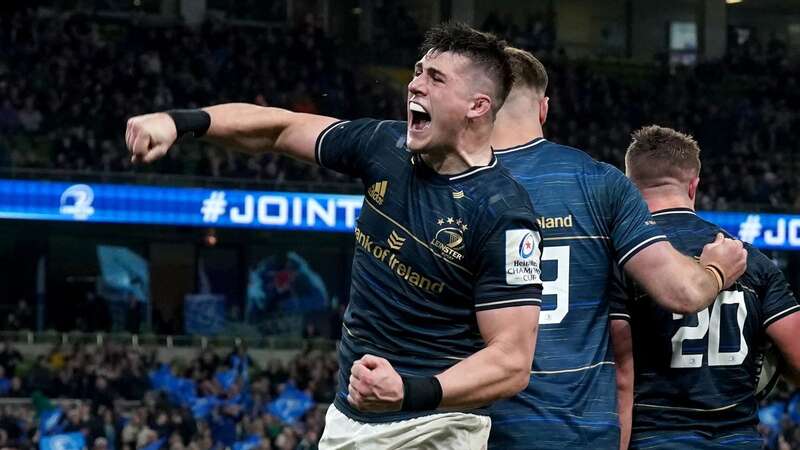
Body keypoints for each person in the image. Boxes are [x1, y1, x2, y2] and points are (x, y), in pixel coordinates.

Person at [125, 23, 543, 449]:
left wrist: (410, 390)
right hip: (348, 419)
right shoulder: (385, 146)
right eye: (418, 72)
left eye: (435, 78)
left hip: (435, 426)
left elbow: (511, 361)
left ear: (477, 105)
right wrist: (179, 122)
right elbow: (280, 128)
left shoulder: (503, 212)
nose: (414, 85)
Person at [486, 47, 748, 449]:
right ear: (544, 109)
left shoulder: (450, 184)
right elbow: (681, 293)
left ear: (480, 105)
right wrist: (716, 269)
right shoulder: (598, 181)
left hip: (477, 421)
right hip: (575, 428)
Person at [610, 125, 800, 450]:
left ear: (629, 185)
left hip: (656, 436)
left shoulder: (623, 259)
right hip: (738, 438)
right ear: (693, 185)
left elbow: (617, 371)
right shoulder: (750, 260)